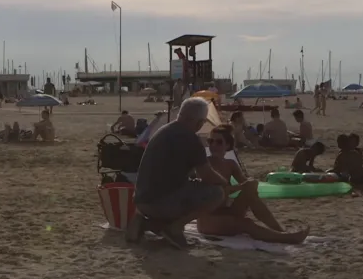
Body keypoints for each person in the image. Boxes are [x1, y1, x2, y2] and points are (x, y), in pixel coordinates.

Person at [128, 98, 227, 248]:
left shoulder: (164, 130)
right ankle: (175, 228)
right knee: (217, 193)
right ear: (200, 122)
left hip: (142, 200)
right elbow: (207, 175)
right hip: (160, 203)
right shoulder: (191, 138)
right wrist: (225, 182)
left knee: (187, 189)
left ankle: (146, 223)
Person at [196, 125, 309, 244]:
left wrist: (251, 184)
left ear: (227, 145)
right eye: (210, 141)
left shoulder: (230, 164)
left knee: (251, 192)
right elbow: (217, 192)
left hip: (225, 211)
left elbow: (245, 183)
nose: (213, 145)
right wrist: (243, 186)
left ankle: (279, 230)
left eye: (218, 142)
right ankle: (285, 238)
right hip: (209, 219)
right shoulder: (205, 165)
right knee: (246, 223)